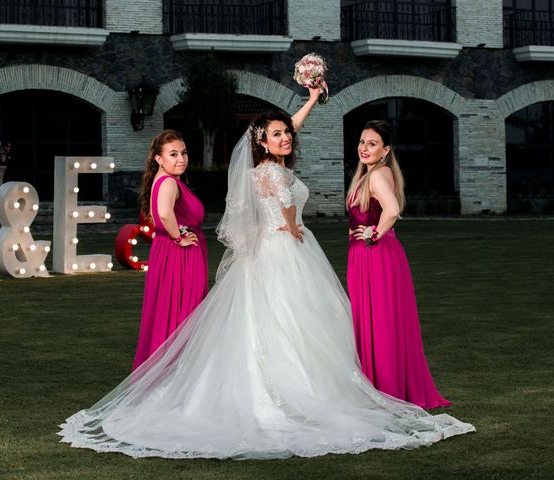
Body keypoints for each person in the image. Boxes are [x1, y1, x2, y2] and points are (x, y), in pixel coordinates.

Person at [59, 90, 473, 459]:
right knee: (292, 317)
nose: (286, 138)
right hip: (284, 247)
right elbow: (286, 200)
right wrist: (292, 222)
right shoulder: (271, 172)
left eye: (286, 134)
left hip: (273, 247)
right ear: (262, 141)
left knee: (285, 318)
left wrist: (310, 100)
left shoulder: (263, 168)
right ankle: (298, 394)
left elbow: (285, 137)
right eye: (277, 135)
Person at [346, 120, 451, 409]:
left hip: (375, 255)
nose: (364, 148)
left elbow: (392, 211)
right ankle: (383, 386)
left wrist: (373, 233)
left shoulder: (378, 175)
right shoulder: (370, 175)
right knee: (375, 321)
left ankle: (387, 390)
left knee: (380, 322)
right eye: (361, 141)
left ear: (385, 150)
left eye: (372, 143)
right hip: (367, 256)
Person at [131, 129, 208, 371]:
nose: (181, 159)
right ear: (159, 159)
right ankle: (180, 372)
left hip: (167, 252)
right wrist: (180, 238)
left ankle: (168, 370)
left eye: (183, 153)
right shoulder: (169, 183)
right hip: (180, 255)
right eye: (173, 154)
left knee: (169, 312)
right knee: (186, 313)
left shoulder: (161, 180)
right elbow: (164, 213)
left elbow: (159, 215)